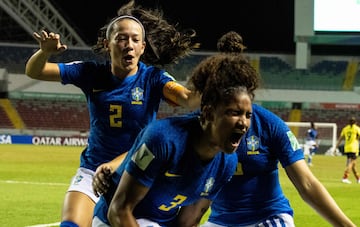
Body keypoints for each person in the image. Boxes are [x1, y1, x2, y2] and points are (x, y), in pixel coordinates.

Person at [24, 1, 200, 227]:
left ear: (143, 47)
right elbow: (35, 71)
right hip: (92, 169)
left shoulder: (153, 78)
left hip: (136, 172)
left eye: (136, 40)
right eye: (122, 38)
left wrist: (213, 80)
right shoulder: (90, 73)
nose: (129, 45)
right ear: (108, 44)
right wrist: (44, 52)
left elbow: (187, 99)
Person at [199, 31, 356, 227]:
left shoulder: (270, 125)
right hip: (220, 222)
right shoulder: (200, 126)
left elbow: (306, 183)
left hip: (268, 218)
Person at [92, 53, 256, 227]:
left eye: (248, 115)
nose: (244, 123)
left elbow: (188, 221)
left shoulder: (227, 163)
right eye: (234, 113)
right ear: (208, 113)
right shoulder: (163, 138)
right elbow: (119, 211)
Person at [334, 116, 360, 184]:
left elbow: (340, 138)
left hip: (347, 148)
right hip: (354, 148)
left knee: (353, 164)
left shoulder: (345, 129)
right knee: (351, 163)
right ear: (355, 122)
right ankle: (345, 177)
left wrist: (335, 147)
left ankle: (358, 178)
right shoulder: (357, 128)